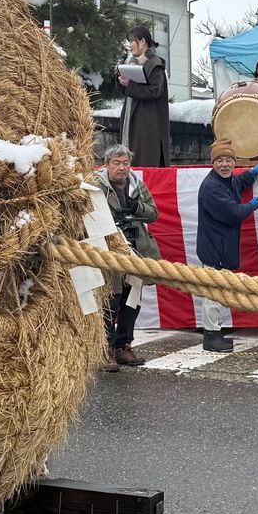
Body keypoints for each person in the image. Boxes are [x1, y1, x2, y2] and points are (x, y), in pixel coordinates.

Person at [196, 138, 258, 353]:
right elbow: (233, 213)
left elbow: (237, 183)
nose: (225, 164)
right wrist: (250, 206)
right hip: (214, 248)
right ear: (213, 163)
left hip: (219, 245)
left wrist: (251, 174)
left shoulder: (225, 181)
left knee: (218, 292)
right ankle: (211, 336)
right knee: (213, 293)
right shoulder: (212, 187)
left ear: (234, 162)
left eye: (229, 160)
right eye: (220, 160)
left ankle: (215, 332)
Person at [96, 144, 160, 371]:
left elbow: (153, 214)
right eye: (116, 163)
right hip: (108, 250)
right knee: (110, 301)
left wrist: (136, 207)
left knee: (131, 301)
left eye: (125, 163)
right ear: (107, 164)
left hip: (135, 248)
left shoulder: (136, 185)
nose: (122, 168)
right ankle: (104, 349)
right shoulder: (97, 186)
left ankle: (124, 345)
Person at [117, 26, 171, 168]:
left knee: (145, 163)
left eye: (132, 41)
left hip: (148, 126)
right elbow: (128, 91)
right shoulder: (133, 63)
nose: (129, 45)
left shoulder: (155, 64)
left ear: (142, 42)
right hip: (134, 122)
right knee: (133, 161)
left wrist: (130, 85)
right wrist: (120, 79)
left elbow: (155, 91)